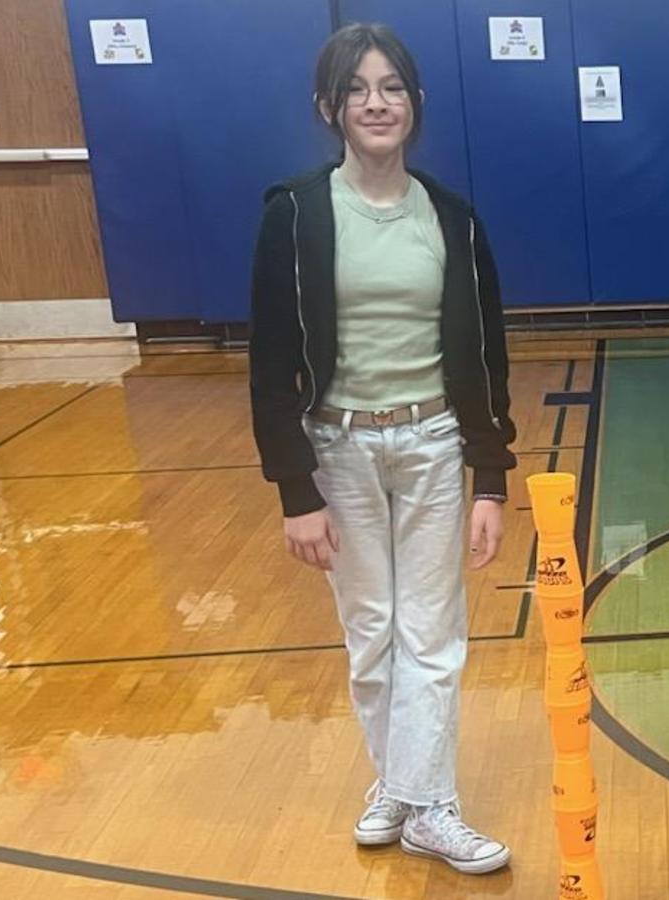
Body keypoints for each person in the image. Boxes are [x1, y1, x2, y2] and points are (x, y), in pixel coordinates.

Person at [248, 23, 516, 873]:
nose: (376, 102)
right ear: (329, 107)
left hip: (435, 443)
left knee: (432, 633)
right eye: (358, 88)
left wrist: (490, 477)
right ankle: (398, 785)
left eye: (392, 87)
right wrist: (296, 488)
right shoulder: (293, 213)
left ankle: (429, 805)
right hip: (341, 450)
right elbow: (270, 362)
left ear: (415, 103)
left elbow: (486, 354)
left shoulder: (452, 219)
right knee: (371, 631)